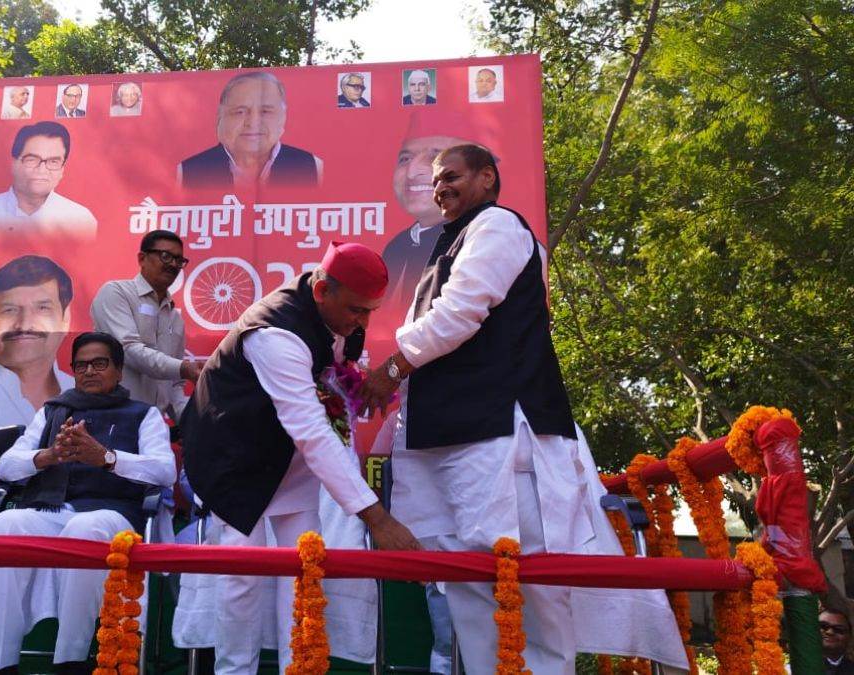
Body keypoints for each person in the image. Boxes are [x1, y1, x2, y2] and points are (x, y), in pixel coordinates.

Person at [359, 145, 682, 673]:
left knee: (530, 582)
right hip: (453, 442)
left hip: (502, 439)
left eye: (452, 177)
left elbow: (461, 314)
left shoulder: (499, 228)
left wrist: (392, 369)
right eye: (436, 182)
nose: (440, 188)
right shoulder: (453, 241)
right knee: (469, 586)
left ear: (488, 177)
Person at [181, 241, 419, 675]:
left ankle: (301, 668)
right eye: (356, 310)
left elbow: (329, 379)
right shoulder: (276, 333)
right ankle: (234, 671)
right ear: (322, 290)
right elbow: (310, 429)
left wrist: (356, 387)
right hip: (233, 454)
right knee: (242, 579)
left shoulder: (344, 317)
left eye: (370, 311)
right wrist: (378, 519)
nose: (362, 322)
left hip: (287, 460)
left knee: (302, 572)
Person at [0, 332, 176, 675]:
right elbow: (6, 466)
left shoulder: (142, 414)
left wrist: (107, 458)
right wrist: (48, 456)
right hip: (51, 511)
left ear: (118, 370)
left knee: (84, 526)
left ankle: (71, 659)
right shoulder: (53, 410)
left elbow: (164, 471)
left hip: (112, 515)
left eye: (100, 363)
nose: (90, 371)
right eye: (81, 365)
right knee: (5, 527)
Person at [90, 230, 196, 420]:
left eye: (179, 260)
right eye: (165, 256)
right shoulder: (116, 293)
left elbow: (174, 384)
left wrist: (191, 422)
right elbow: (128, 350)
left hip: (152, 430)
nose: (173, 264)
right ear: (142, 258)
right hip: (112, 419)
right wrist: (185, 368)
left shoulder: (175, 318)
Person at [0, 255, 76, 428]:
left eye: (42, 308)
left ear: (66, 319)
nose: (24, 325)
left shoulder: (82, 393)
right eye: (9, 310)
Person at [381, 113, 475, 305]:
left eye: (435, 156)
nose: (413, 172)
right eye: (405, 159)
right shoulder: (396, 247)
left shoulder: (479, 238)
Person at [178, 72, 323, 190]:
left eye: (265, 112)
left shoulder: (313, 166)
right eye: (240, 112)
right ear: (220, 117)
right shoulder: (186, 172)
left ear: (283, 117)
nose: (252, 122)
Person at [0, 122, 97, 239]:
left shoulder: (81, 220)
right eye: (32, 159)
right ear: (14, 163)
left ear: (62, 168)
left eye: (53, 161)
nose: (42, 169)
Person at [821, 608, 854, 674]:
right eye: (823, 626)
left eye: (838, 629)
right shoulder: (797, 666)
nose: (830, 632)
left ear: (849, 637)